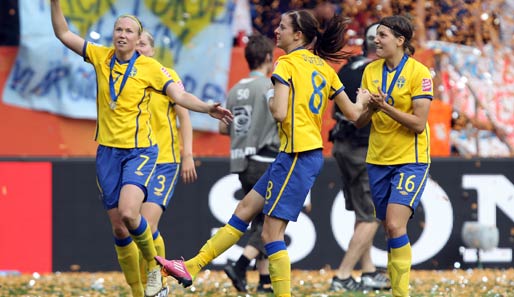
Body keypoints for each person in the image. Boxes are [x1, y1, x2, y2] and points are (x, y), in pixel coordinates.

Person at [156, 9, 370, 297]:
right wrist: (368, 102)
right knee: (245, 209)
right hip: (299, 155)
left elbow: (279, 113)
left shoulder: (285, 65)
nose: (276, 32)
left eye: (282, 27)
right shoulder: (324, 68)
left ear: (298, 35)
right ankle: (192, 266)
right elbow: (356, 114)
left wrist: (271, 98)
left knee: (271, 234)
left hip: (297, 154)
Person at [49, 1, 232, 296]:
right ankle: (138, 291)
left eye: (129, 31)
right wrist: (55, 3)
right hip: (108, 153)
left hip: (140, 152)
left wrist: (206, 108)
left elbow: (180, 97)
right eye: (118, 29)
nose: (122, 34)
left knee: (131, 215)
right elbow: (63, 33)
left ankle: (155, 270)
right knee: (120, 228)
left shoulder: (151, 68)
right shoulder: (100, 57)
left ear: (138, 40)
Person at [355, 15, 433, 297]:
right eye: (376, 35)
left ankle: (401, 294)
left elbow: (418, 123)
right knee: (389, 230)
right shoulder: (370, 71)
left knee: (394, 224)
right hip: (378, 160)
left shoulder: (420, 73)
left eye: (382, 35)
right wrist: (369, 109)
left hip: (410, 160)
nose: (376, 40)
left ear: (400, 40)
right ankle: (396, 288)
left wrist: (385, 107)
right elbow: (360, 121)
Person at [328, 23, 390, 292]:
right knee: (372, 215)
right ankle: (342, 275)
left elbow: (334, 112)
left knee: (362, 212)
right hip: (361, 149)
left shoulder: (349, 67)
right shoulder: (374, 72)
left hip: (341, 146)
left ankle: (368, 272)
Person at [135, 30, 198, 296]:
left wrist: (188, 155)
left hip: (164, 161)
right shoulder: (127, 79)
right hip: (136, 162)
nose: (138, 48)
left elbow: (184, 116)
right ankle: (151, 286)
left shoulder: (167, 75)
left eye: (142, 43)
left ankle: (155, 282)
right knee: (139, 230)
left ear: (151, 49)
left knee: (146, 226)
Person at [219, 34, 279, 294]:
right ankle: (241, 265)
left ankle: (264, 281)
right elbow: (281, 115)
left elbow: (224, 127)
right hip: (265, 158)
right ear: (268, 57)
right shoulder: (268, 86)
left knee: (261, 220)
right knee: (273, 220)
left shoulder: (234, 89)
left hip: (242, 161)